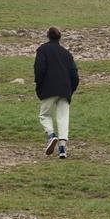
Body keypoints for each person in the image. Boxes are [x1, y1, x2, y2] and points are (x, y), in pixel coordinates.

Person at [33, 26, 78, 159]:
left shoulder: (42, 50)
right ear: (60, 37)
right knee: (63, 117)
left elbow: (39, 69)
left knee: (44, 115)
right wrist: (71, 89)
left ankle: (52, 135)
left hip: (48, 88)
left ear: (48, 36)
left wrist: (39, 85)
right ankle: (63, 148)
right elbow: (74, 74)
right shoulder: (66, 53)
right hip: (65, 89)